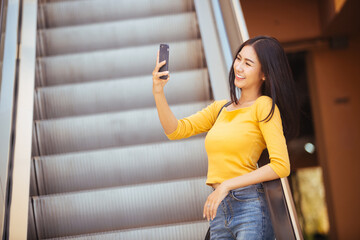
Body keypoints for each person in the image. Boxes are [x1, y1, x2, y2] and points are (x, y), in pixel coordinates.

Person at [152, 35, 299, 240]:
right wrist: (158, 91)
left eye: (248, 63)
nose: (238, 67)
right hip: (219, 210)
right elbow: (175, 130)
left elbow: (281, 165)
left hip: (250, 207)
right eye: (238, 59)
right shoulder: (220, 108)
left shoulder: (263, 106)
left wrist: (227, 185)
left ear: (264, 73)